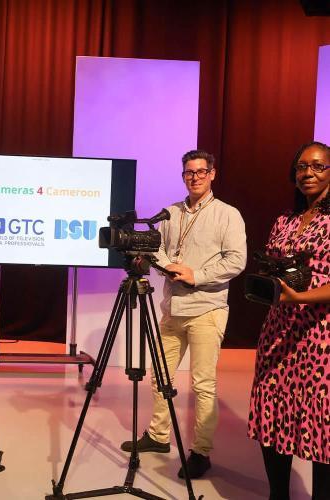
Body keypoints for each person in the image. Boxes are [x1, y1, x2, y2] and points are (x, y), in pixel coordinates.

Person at [121, 149, 247, 479]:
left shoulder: (227, 215)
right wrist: (164, 266)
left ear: (213, 174)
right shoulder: (171, 212)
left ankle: (201, 451)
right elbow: (156, 248)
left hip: (207, 308)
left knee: (202, 384)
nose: (194, 178)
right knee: (159, 374)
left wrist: (196, 274)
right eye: (189, 173)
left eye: (201, 172)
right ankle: (159, 435)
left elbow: (236, 260)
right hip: (172, 308)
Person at [248, 141, 329, 499]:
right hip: (278, 329)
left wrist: (302, 297)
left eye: (317, 166)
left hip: (321, 336)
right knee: (273, 410)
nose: (307, 173)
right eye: (301, 167)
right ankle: (277, 494)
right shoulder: (285, 220)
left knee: (320, 419)